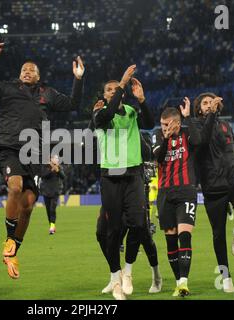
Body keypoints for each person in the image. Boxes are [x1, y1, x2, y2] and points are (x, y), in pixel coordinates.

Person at [0, 43, 84, 279]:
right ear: (19, 74)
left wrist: (78, 79)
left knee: (28, 204)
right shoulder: (6, 89)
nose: (26, 72)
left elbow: (73, 105)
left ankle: (14, 249)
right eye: (23, 69)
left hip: (34, 154)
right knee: (14, 186)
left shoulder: (47, 93)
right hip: (10, 148)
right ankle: (8, 239)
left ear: (38, 76)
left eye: (31, 70)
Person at [93, 65, 155, 300]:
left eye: (115, 89)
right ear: (104, 96)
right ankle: (115, 278)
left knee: (139, 225)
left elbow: (149, 123)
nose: (112, 92)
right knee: (113, 230)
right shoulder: (99, 114)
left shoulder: (130, 111)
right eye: (108, 90)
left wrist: (142, 100)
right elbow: (109, 114)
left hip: (134, 174)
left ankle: (127, 272)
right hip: (111, 176)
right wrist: (122, 82)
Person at [192, 93, 234, 292]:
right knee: (218, 234)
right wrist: (211, 115)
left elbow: (232, 145)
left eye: (212, 101)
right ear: (199, 109)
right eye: (205, 103)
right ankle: (226, 276)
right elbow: (203, 140)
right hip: (212, 186)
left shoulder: (226, 125)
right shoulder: (196, 125)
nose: (210, 104)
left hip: (232, 179)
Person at [153, 100, 201, 297]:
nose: (164, 128)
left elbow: (199, 142)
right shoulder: (157, 135)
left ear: (177, 123)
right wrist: (165, 137)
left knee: (185, 235)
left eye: (168, 125)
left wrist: (188, 117)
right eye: (163, 124)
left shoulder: (187, 133)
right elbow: (159, 157)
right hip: (165, 193)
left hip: (186, 190)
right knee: (171, 241)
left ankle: (183, 282)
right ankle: (177, 280)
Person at [40, 155, 65, 234]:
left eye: (57, 159)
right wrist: (51, 170)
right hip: (46, 191)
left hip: (55, 191)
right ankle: (52, 225)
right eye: (55, 158)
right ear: (51, 160)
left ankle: (52, 226)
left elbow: (63, 177)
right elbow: (43, 175)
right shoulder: (45, 167)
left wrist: (58, 171)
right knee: (48, 210)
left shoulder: (59, 167)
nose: (57, 160)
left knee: (52, 209)